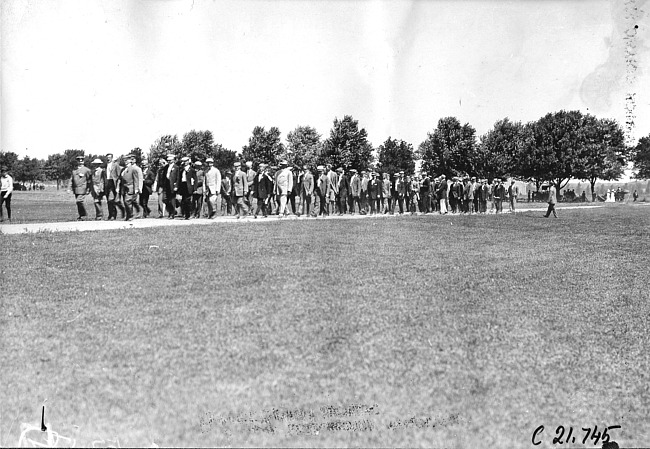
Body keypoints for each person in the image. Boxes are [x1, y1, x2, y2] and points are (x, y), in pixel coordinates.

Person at [70, 155, 92, 221]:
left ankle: (84, 215)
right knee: (78, 203)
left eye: (82, 160)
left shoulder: (87, 170)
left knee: (79, 201)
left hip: (83, 189)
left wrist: (89, 189)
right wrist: (69, 188)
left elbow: (89, 180)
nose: (80, 161)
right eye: (79, 160)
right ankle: (81, 215)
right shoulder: (74, 170)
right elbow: (71, 179)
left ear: (83, 161)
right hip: (76, 189)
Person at [120, 154, 141, 221]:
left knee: (127, 202)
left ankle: (131, 215)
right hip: (124, 188)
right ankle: (128, 216)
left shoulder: (133, 169)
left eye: (127, 160)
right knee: (125, 202)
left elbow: (136, 180)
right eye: (124, 160)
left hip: (130, 188)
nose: (125, 162)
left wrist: (136, 189)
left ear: (130, 161)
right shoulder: (123, 169)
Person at [105, 153, 125, 220]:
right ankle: (111, 215)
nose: (108, 159)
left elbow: (119, 176)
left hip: (114, 183)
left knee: (114, 200)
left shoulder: (116, 165)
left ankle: (117, 212)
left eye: (110, 157)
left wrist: (118, 186)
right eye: (107, 157)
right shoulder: (105, 165)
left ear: (112, 158)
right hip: (108, 183)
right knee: (109, 200)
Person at [164, 154, 179, 219]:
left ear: (173, 160)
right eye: (168, 160)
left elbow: (178, 178)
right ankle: (171, 211)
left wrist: (176, 186)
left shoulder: (176, 167)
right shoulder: (166, 167)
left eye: (170, 160)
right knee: (165, 199)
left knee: (172, 199)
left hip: (173, 185)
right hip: (167, 184)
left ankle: (172, 213)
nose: (169, 161)